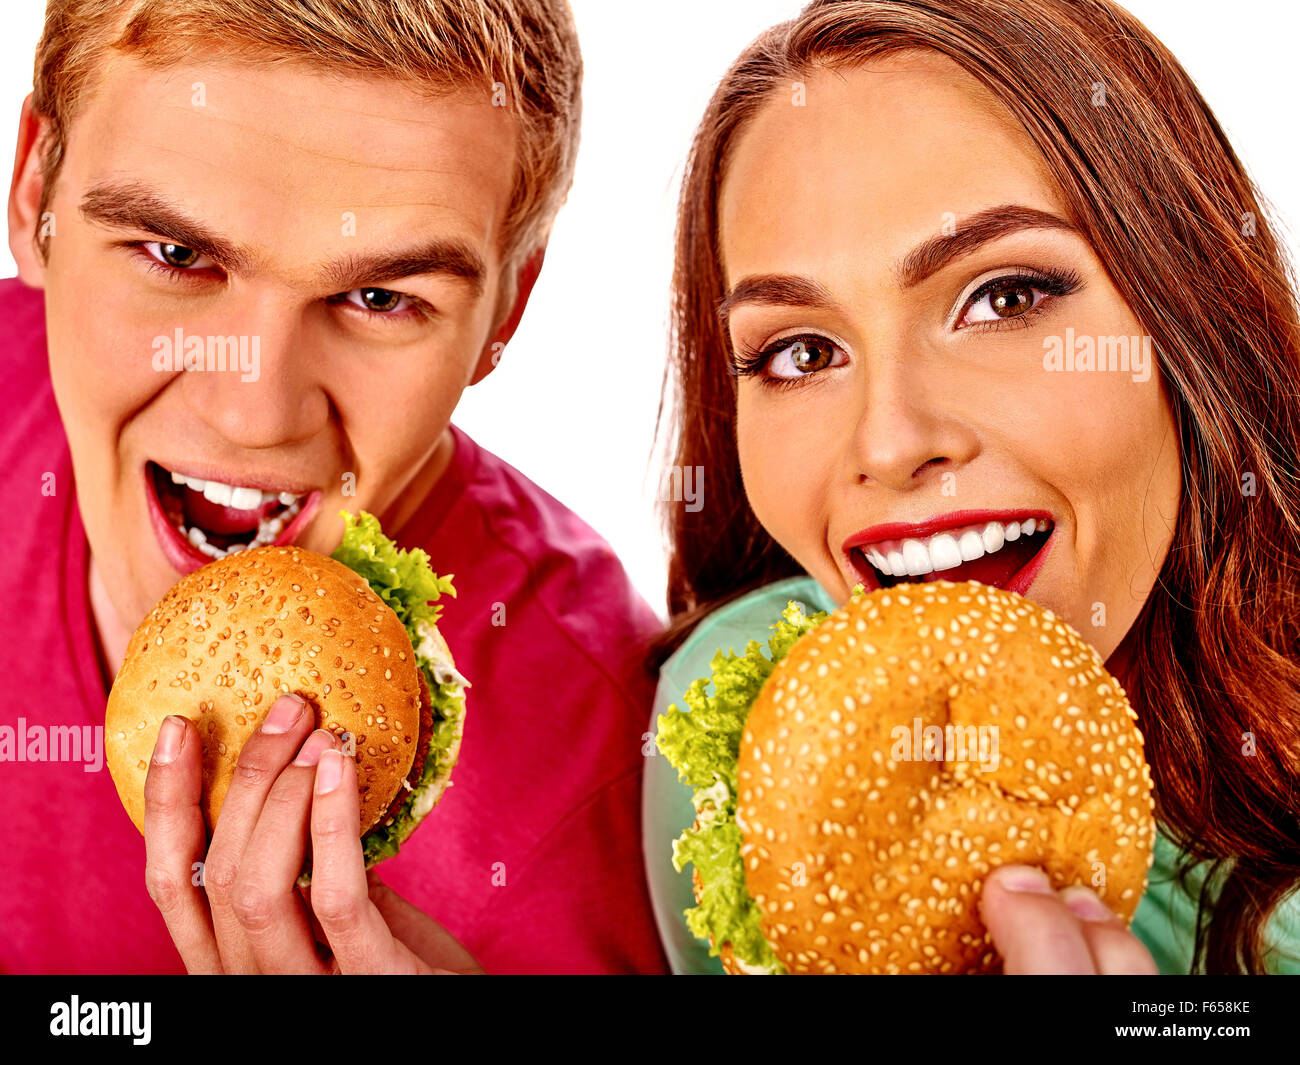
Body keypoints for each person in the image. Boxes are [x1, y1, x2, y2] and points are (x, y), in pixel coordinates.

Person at [0, 0, 668, 975]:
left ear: (505, 310)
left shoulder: (606, 796)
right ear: (34, 195)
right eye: (178, 256)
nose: (255, 412)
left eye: (378, 298)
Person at [643, 0, 1300, 975]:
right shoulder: (748, 735)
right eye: (800, 350)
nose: (892, 439)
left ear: (1189, 320)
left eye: (1005, 298)